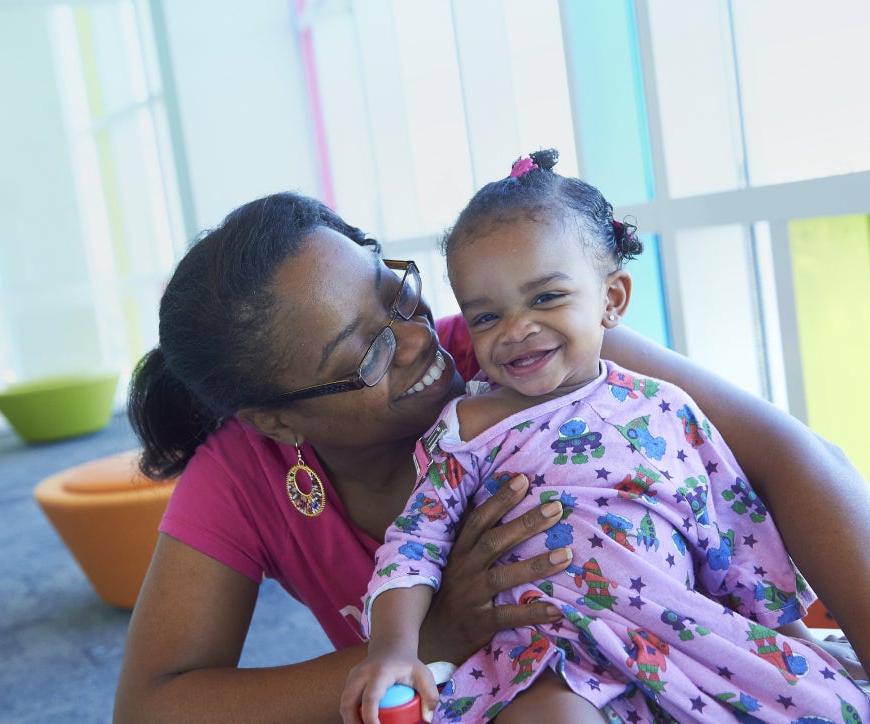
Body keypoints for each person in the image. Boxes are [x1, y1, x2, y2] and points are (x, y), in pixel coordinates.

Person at [112, 187, 870, 724]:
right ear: (275, 421)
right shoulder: (242, 476)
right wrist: (431, 635)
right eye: (371, 349)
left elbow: (796, 461)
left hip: (676, 645)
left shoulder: (524, 353)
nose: (420, 338)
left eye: (396, 292)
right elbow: (153, 706)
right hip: (518, 689)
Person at [339, 149, 870, 724]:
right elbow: (412, 548)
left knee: (828, 702)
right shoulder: (465, 431)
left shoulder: (664, 407)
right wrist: (392, 650)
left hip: (680, 641)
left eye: (546, 298)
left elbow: (732, 536)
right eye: (486, 317)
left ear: (611, 300)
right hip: (542, 657)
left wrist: (789, 641)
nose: (517, 329)